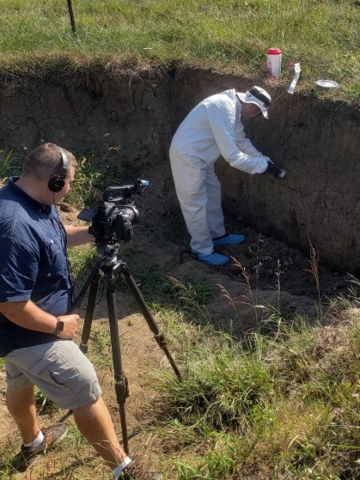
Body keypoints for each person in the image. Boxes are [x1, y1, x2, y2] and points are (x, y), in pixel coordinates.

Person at [0, 143, 150, 480]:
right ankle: (123, 469)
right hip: (25, 328)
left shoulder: (33, 199)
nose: (69, 189)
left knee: (20, 381)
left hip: (22, 326)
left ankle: (33, 442)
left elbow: (53, 237)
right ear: (54, 182)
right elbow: (10, 304)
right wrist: (57, 326)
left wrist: (93, 232)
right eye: (67, 183)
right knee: (83, 385)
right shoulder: (13, 226)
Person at [170, 85, 285, 266]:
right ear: (253, 106)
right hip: (187, 157)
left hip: (202, 158)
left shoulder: (232, 109)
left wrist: (263, 158)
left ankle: (217, 235)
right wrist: (262, 167)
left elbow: (241, 141)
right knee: (195, 203)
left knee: (213, 192)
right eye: (256, 111)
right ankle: (202, 250)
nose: (254, 115)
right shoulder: (222, 107)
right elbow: (233, 157)